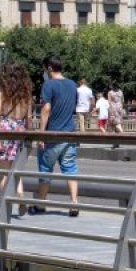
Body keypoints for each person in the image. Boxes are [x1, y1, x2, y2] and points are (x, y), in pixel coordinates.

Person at [32, 55, 81, 216]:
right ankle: (74, 202)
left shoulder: (48, 85)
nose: (44, 72)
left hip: (52, 134)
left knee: (45, 169)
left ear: (50, 68)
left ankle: (41, 203)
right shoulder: (72, 84)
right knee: (70, 168)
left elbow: (46, 109)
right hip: (69, 133)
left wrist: (40, 133)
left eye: (44, 69)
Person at [0, 63, 31, 201]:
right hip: (21, 130)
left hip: (5, 130)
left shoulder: (1, 91)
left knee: (4, 173)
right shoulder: (27, 92)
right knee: (16, 170)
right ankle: (20, 195)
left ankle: (5, 206)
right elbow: (29, 116)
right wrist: (30, 135)